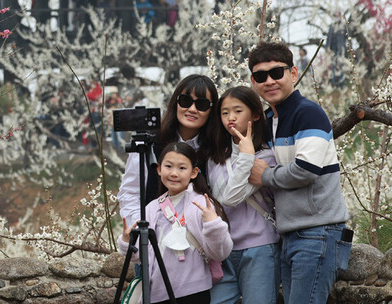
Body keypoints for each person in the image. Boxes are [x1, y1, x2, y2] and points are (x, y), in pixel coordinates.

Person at [247, 41, 351, 304]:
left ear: (293, 73)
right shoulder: (271, 120)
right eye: (261, 76)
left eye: (277, 73)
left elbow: (306, 170)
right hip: (292, 234)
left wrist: (266, 176)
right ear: (253, 81)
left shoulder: (308, 113)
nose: (269, 81)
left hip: (317, 233)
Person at [118, 142, 233, 304]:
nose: (174, 173)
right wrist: (128, 241)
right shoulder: (152, 208)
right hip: (158, 291)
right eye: (168, 166)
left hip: (194, 291)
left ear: (194, 172)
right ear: (159, 169)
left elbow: (219, 253)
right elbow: (142, 257)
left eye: (182, 168)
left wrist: (213, 225)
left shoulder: (200, 204)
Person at [207, 86, 280, 304]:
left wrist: (247, 156)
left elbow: (234, 197)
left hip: (260, 247)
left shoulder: (267, 156)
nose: (230, 118)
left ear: (255, 114)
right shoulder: (215, 158)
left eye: (238, 111)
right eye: (224, 112)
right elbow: (223, 198)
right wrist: (245, 158)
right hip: (223, 250)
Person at [117, 74, 220, 225]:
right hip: (155, 235)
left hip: (198, 236)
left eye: (202, 104)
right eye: (185, 101)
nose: (192, 109)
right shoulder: (149, 144)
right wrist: (143, 228)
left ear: (211, 110)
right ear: (175, 103)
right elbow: (130, 192)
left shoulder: (215, 148)